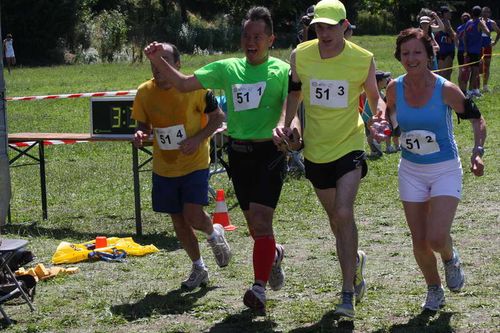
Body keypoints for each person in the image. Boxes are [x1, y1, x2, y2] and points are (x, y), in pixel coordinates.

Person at [144, 7, 296, 313]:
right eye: (246, 35)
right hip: (238, 155)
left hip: (269, 153)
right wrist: (157, 60)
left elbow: (290, 106)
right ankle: (274, 255)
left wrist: (289, 130)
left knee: (263, 221)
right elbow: (185, 83)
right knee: (255, 225)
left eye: (257, 36)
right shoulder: (228, 68)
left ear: (270, 39)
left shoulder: (282, 71)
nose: (250, 41)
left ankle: (258, 289)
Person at [274, 0, 387, 318]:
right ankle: (356, 262)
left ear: (344, 26)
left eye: (330, 26)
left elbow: (376, 100)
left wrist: (379, 118)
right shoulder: (301, 54)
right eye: (318, 27)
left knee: (343, 210)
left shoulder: (362, 59)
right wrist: (291, 126)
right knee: (338, 222)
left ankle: (347, 294)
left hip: (349, 143)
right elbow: (294, 94)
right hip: (316, 149)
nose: (323, 32)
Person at [385, 28, 486, 312]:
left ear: (429, 55)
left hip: (444, 169)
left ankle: (450, 257)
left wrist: (478, 152)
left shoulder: (446, 89)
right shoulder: (394, 87)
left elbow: (478, 121)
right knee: (419, 242)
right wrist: (386, 127)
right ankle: (434, 289)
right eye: (405, 53)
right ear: (399, 56)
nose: (411, 58)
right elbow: (389, 114)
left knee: (436, 237)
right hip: (411, 170)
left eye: (417, 52)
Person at [132, 42, 231, 291]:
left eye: (165, 60)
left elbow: (219, 117)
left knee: (193, 215)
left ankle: (213, 232)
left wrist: (198, 138)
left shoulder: (195, 90)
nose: (159, 67)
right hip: (164, 167)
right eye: (155, 61)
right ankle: (199, 267)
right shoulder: (144, 92)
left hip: (195, 162)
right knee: (178, 220)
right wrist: (140, 134)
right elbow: (143, 125)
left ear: (177, 65)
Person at [464, 6, 490, 98]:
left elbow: (465, 37)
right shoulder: (479, 22)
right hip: (476, 51)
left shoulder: (468, 22)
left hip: (469, 51)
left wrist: (466, 50)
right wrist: (484, 23)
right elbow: (488, 32)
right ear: (480, 14)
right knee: (475, 72)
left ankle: (473, 90)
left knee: (472, 71)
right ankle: (470, 91)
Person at [480, 6, 500, 93]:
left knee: (486, 67)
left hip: (487, 47)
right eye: (484, 11)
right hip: (478, 47)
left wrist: (495, 42)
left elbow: (499, 32)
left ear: (489, 13)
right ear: (481, 12)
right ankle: (475, 86)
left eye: (487, 12)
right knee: (477, 67)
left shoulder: (492, 22)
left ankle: (485, 86)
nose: (485, 13)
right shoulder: (478, 21)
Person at [435, 6, 456, 80]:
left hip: (446, 50)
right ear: (443, 14)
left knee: (446, 72)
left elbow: (453, 36)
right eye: (448, 12)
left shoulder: (446, 22)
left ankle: (446, 89)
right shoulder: (441, 22)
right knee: (444, 73)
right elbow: (452, 35)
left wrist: (450, 29)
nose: (450, 14)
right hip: (444, 50)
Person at [456, 12, 472, 93]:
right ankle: (463, 90)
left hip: (462, 51)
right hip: (466, 52)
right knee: (466, 71)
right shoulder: (471, 27)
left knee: (462, 70)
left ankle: (461, 89)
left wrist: (458, 46)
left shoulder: (459, 28)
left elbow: (456, 39)